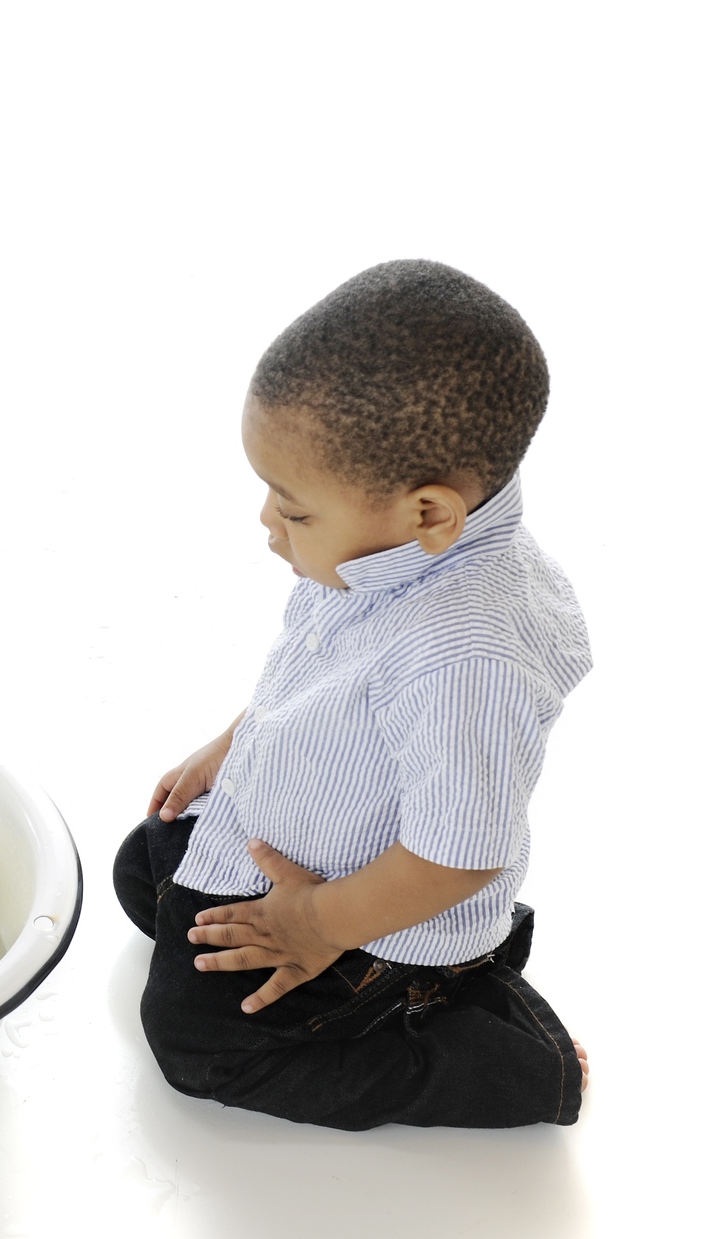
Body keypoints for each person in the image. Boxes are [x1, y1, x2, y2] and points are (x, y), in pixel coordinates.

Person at [112, 260, 591, 1130]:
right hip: (307, 836)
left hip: (368, 921)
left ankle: (497, 1051)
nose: (267, 523)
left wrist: (318, 924)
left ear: (428, 512)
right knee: (142, 863)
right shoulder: (398, 548)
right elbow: (319, 668)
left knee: (191, 1038)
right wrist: (240, 738)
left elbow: (459, 854)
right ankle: (420, 973)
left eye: (293, 512)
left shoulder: (463, 660)